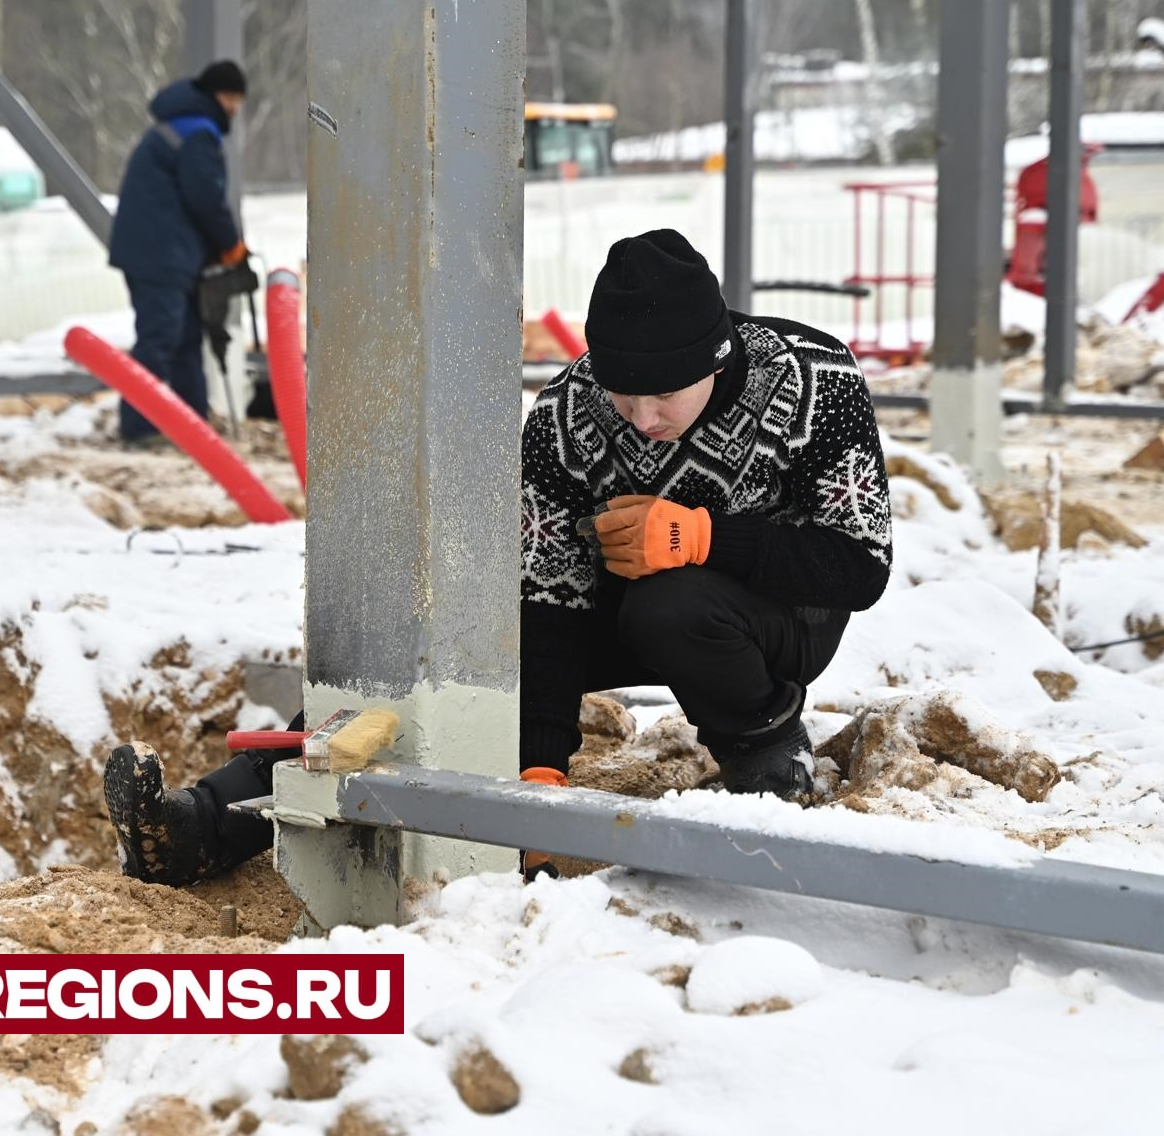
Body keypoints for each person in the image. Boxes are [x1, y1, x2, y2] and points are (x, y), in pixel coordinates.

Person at [103, 228, 893, 886]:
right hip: (616, 601)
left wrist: (706, 537)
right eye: (625, 398)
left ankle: (764, 748)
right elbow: (541, 600)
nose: (644, 418)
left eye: (665, 397)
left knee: (672, 601)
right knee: (449, 642)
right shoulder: (567, 414)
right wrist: (537, 776)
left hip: (777, 619)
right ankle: (207, 822)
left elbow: (860, 564)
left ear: (715, 361)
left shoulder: (814, 379)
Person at [106, 59, 250, 445]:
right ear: (212, 95)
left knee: (185, 340)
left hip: (164, 253)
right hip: (161, 255)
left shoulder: (177, 127)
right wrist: (231, 244)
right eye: (229, 96)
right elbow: (205, 197)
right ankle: (139, 430)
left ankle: (194, 430)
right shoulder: (198, 133)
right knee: (161, 339)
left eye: (238, 98)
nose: (234, 106)